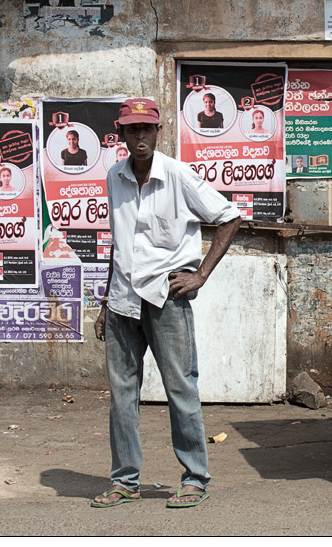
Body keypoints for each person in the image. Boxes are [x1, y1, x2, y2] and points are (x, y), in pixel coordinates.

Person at [91, 98, 241, 509]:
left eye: (147, 129)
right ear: (120, 134)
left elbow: (229, 217)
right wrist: (105, 301)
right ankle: (125, 480)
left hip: (166, 298)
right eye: (132, 129)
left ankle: (195, 476)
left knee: (180, 388)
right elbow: (119, 246)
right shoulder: (114, 176)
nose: (140, 136)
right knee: (122, 394)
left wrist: (201, 274)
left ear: (158, 132)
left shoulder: (178, 175)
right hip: (123, 300)